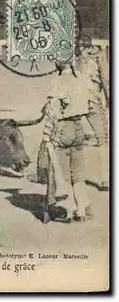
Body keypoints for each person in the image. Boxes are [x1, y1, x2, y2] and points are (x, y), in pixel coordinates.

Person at [39, 61, 92, 223]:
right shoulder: (82, 80)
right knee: (77, 172)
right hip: (79, 126)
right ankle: (81, 210)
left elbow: (52, 112)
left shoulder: (57, 81)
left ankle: (68, 211)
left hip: (63, 128)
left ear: (57, 64)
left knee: (62, 172)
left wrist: (47, 137)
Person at [76, 35, 109, 191]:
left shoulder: (72, 55)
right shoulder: (97, 56)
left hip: (74, 102)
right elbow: (106, 81)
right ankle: (105, 179)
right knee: (102, 138)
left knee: (62, 137)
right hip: (92, 100)